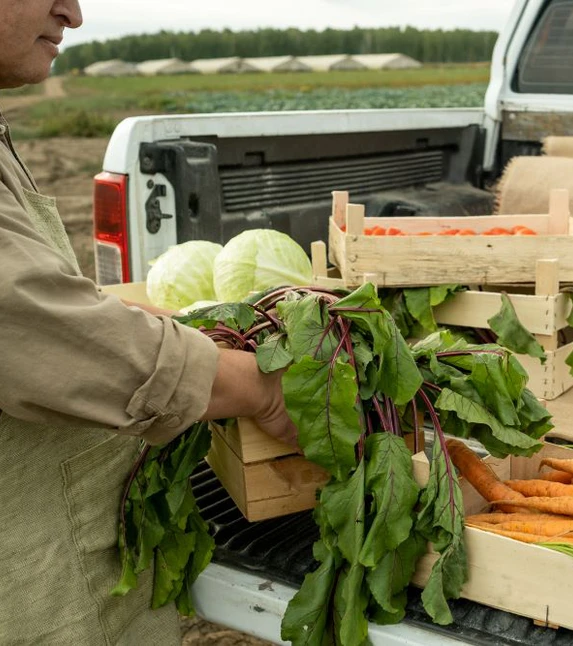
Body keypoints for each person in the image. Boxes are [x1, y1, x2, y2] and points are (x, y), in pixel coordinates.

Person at [0, 2, 298, 643]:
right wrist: (266, 389)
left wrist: (158, 323)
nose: (72, 14)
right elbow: (29, 324)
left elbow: (46, 300)